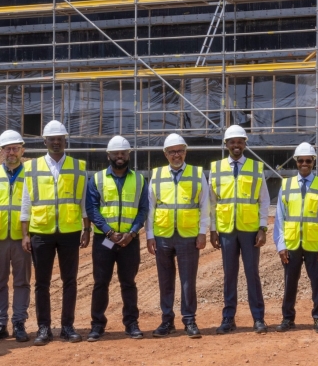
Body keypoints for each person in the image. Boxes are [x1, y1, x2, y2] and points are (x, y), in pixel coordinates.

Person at [21, 120, 90, 345]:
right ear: (45, 141)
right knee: (42, 282)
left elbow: (83, 200)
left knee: (70, 280)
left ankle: (67, 326)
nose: (56, 142)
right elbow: (26, 202)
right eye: (52, 139)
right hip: (41, 231)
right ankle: (44, 328)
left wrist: (86, 228)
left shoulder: (79, 166)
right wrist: (25, 234)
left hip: (70, 230)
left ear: (65, 140)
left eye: (60, 139)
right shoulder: (31, 167)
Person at [85, 135, 149, 341]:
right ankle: (97, 325)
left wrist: (131, 234)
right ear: (109, 155)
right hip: (104, 241)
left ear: (129, 154)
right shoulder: (97, 179)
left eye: (123, 153)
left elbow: (143, 210)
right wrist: (109, 233)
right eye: (116, 153)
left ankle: (131, 324)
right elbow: (92, 209)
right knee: (100, 283)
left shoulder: (139, 179)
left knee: (128, 283)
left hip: (129, 242)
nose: (120, 156)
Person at [146, 132, 209, 339]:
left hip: (188, 235)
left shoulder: (197, 173)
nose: (176, 155)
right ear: (165, 154)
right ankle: (167, 321)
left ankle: (189, 320)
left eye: (180, 151)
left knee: (188, 281)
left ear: (185, 152)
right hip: (163, 234)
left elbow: (205, 205)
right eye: (172, 152)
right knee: (165, 281)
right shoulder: (156, 174)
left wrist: (202, 233)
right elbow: (150, 207)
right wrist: (149, 235)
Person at [209, 124, 270, 335]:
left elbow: (264, 200)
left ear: (245, 143)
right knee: (229, 275)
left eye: (240, 141)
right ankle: (228, 318)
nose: (236, 145)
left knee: (252, 274)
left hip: (250, 229)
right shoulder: (216, 168)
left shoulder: (255, 167)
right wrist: (213, 230)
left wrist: (263, 228)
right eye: (232, 142)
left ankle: (258, 318)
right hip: (226, 230)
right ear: (226, 144)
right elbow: (212, 202)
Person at [274, 142, 318, 334]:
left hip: (314, 243)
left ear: (314, 162)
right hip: (291, 242)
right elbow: (280, 217)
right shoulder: (286, 184)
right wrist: (280, 244)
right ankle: (287, 318)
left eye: (308, 160)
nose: (305, 163)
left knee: (317, 283)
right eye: (301, 160)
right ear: (296, 162)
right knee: (290, 282)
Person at [0, 130, 32, 344]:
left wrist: (29, 234)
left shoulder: (31, 173)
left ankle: (19, 323)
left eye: (15, 148)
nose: (12, 152)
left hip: (23, 238)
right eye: (7, 148)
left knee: (22, 282)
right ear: (0, 151)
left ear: (22, 149)